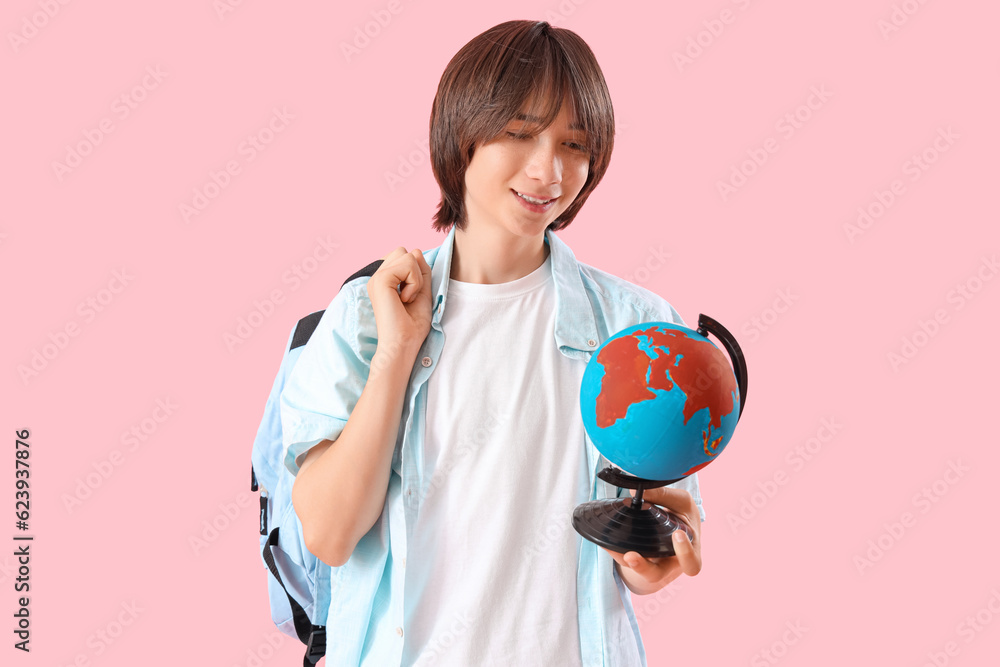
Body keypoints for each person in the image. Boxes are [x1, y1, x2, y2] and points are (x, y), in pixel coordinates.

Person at [280, 19, 706, 667]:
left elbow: (664, 522)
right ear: (462, 133)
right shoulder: (367, 317)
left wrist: (658, 555)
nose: (548, 170)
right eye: (519, 133)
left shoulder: (638, 328)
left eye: (574, 143)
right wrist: (398, 353)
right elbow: (332, 535)